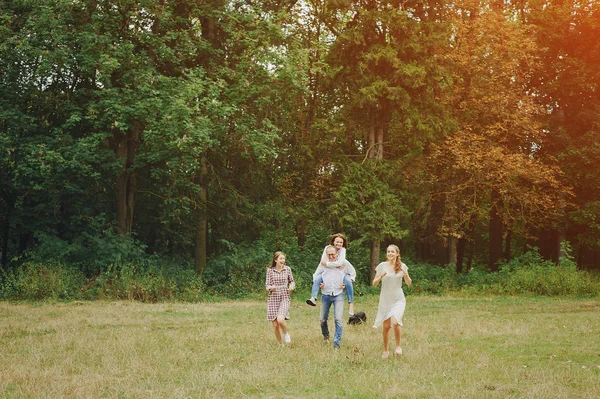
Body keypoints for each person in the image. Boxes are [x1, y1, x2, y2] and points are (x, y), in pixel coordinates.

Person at [372, 244, 412, 359]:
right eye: (388, 251)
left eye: (392, 252)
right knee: (385, 327)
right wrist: (380, 277)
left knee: (395, 322)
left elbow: (408, 283)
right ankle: (385, 350)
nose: (390, 253)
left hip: (398, 298)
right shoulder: (382, 266)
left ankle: (398, 346)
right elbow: (374, 284)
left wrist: (407, 275)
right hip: (385, 299)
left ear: (397, 254)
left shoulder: (402, 266)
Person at [306, 233, 357, 315]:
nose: (339, 244)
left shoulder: (343, 253)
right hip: (327, 277)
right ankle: (313, 298)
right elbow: (322, 264)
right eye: (337, 242)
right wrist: (319, 282)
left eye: (341, 242)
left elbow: (341, 264)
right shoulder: (327, 249)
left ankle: (350, 303)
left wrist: (329, 264)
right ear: (333, 242)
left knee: (348, 280)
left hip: (343, 275)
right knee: (318, 277)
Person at [318, 245, 347, 349]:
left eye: (332, 254)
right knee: (322, 319)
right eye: (328, 254)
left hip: (338, 294)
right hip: (326, 294)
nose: (330, 256)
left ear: (337, 254)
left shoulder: (343, 264)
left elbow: (352, 275)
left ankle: (336, 344)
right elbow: (316, 275)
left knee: (338, 319)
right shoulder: (323, 264)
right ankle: (326, 336)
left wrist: (346, 284)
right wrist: (319, 283)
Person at [265, 251, 295, 347]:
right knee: (275, 325)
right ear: (275, 260)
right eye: (280, 258)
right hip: (273, 298)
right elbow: (267, 285)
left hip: (284, 296)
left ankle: (286, 334)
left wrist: (291, 287)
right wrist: (271, 288)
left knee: (280, 319)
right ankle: (281, 344)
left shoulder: (287, 269)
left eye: (283, 258)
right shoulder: (270, 271)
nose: (283, 260)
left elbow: (292, 281)